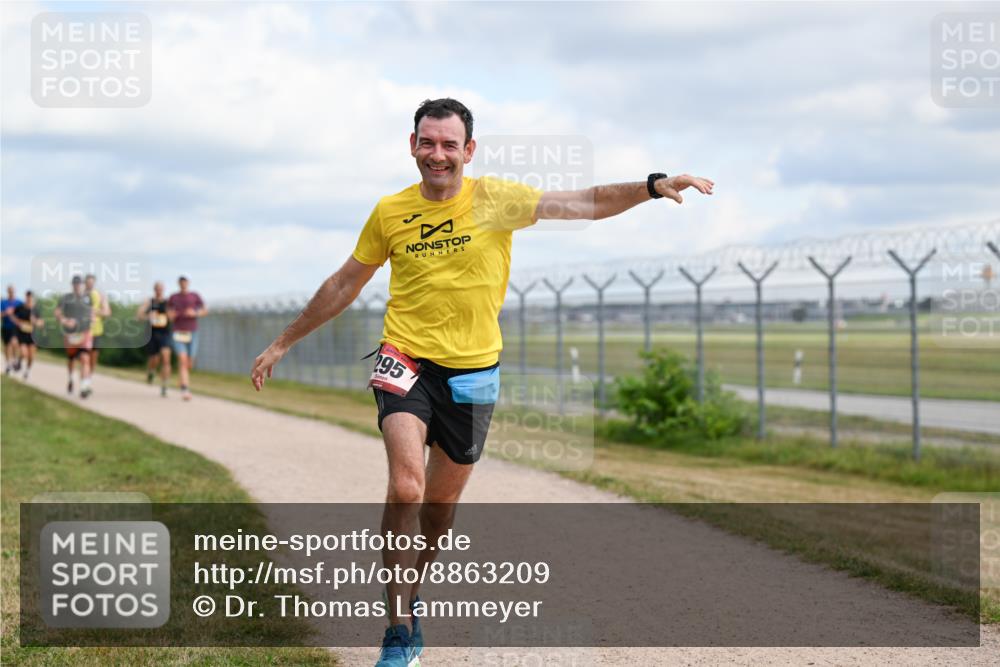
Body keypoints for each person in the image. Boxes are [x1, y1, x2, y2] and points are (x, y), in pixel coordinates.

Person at [249, 98, 714, 667]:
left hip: (474, 372)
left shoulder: (495, 199)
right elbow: (346, 282)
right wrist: (283, 342)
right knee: (407, 488)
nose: (436, 154)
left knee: (439, 512)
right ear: (412, 145)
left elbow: (584, 203)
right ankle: (397, 628)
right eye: (427, 142)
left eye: (449, 144)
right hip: (405, 360)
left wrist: (650, 185)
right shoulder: (390, 211)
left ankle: (411, 595)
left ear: (468, 151)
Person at [167, 276, 207, 401]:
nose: (183, 284)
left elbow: (205, 310)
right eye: (181, 283)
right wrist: (171, 316)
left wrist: (194, 313)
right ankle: (185, 389)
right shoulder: (173, 297)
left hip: (192, 332)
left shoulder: (195, 296)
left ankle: (182, 377)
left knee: (189, 362)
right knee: (183, 359)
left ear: (188, 283)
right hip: (178, 332)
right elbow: (169, 315)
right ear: (178, 284)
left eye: (185, 282)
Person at [55, 275, 94, 398]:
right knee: (71, 359)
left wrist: (92, 320)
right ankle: (71, 378)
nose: (77, 286)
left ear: (82, 285)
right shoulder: (66, 298)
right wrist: (64, 320)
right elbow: (57, 312)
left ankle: (84, 386)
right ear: (72, 285)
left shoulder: (88, 298)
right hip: (71, 334)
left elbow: (92, 313)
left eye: (79, 284)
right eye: (75, 284)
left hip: (85, 332)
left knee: (85, 358)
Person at [137, 281, 172, 397]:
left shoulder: (168, 303)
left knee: (166, 358)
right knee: (154, 359)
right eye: (157, 288)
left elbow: (173, 317)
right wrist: (148, 316)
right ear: (154, 289)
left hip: (164, 334)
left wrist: (169, 314)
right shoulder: (149, 302)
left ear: (163, 289)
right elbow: (139, 316)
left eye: (161, 288)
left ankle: (164, 385)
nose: (159, 290)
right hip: (151, 334)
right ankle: (151, 372)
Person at [11, 291, 42, 380]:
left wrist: (35, 322)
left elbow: (41, 323)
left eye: (31, 297)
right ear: (26, 297)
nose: (29, 299)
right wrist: (17, 322)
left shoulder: (36, 310)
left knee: (31, 357)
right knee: (24, 353)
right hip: (21, 334)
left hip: (32, 335)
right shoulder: (20, 307)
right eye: (28, 297)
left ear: (33, 298)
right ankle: (19, 362)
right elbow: (12, 315)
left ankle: (27, 371)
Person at [85, 273, 111, 371]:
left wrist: (96, 311)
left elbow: (107, 312)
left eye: (91, 283)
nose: (89, 284)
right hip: (83, 329)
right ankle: (84, 375)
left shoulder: (100, 295)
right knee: (83, 354)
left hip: (96, 330)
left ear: (94, 283)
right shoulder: (80, 294)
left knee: (94, 355)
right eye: (88, 282)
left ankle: (89, 376)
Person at [2, 285, 23, 375]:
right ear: (8, 292)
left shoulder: (19, 303)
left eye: (12, 291)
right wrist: (6, 312)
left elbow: (24, 315)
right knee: (7, 346)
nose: (11, 293)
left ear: (15, 292)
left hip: (15, 327)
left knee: (14, 342)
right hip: (6, 326)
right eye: (10, 291)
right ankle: (8, 364)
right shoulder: (3, 303)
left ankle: (15, 360)